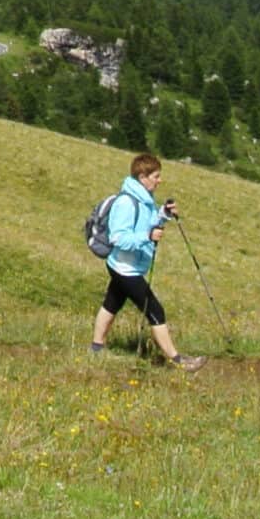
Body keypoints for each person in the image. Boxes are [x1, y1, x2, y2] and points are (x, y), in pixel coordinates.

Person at [92, 153, 206, 369]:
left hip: (126, 266)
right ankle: (177, 360)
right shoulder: (126, 202)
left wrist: (163, 214)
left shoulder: (144, 199)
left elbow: (147, 222)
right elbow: (117, 238)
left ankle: (96, 349)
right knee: (155, 310)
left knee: (112, 302)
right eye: (156, 176)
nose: (159, 180)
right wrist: (147, 237)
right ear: (142, 176)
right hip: (126, 269)